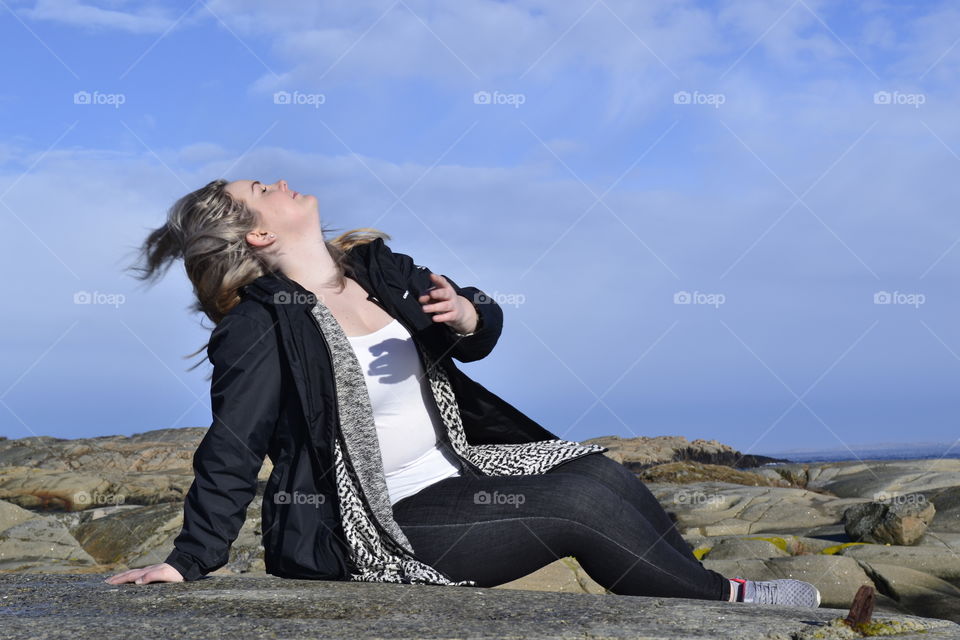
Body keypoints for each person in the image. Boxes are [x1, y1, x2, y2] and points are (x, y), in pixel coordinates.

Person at [104, 178, 820, 608]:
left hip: (457, 475)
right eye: (262, 189)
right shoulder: (263, 324)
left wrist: (474, 314)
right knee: (578, 504)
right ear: (259, 233)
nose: (280, 182)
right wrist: (189, 559)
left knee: (597, 470)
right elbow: (234, 443)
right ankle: (727, 605)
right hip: (373, 529)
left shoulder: (377, 267)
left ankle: (690, 591)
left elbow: (475, 327)